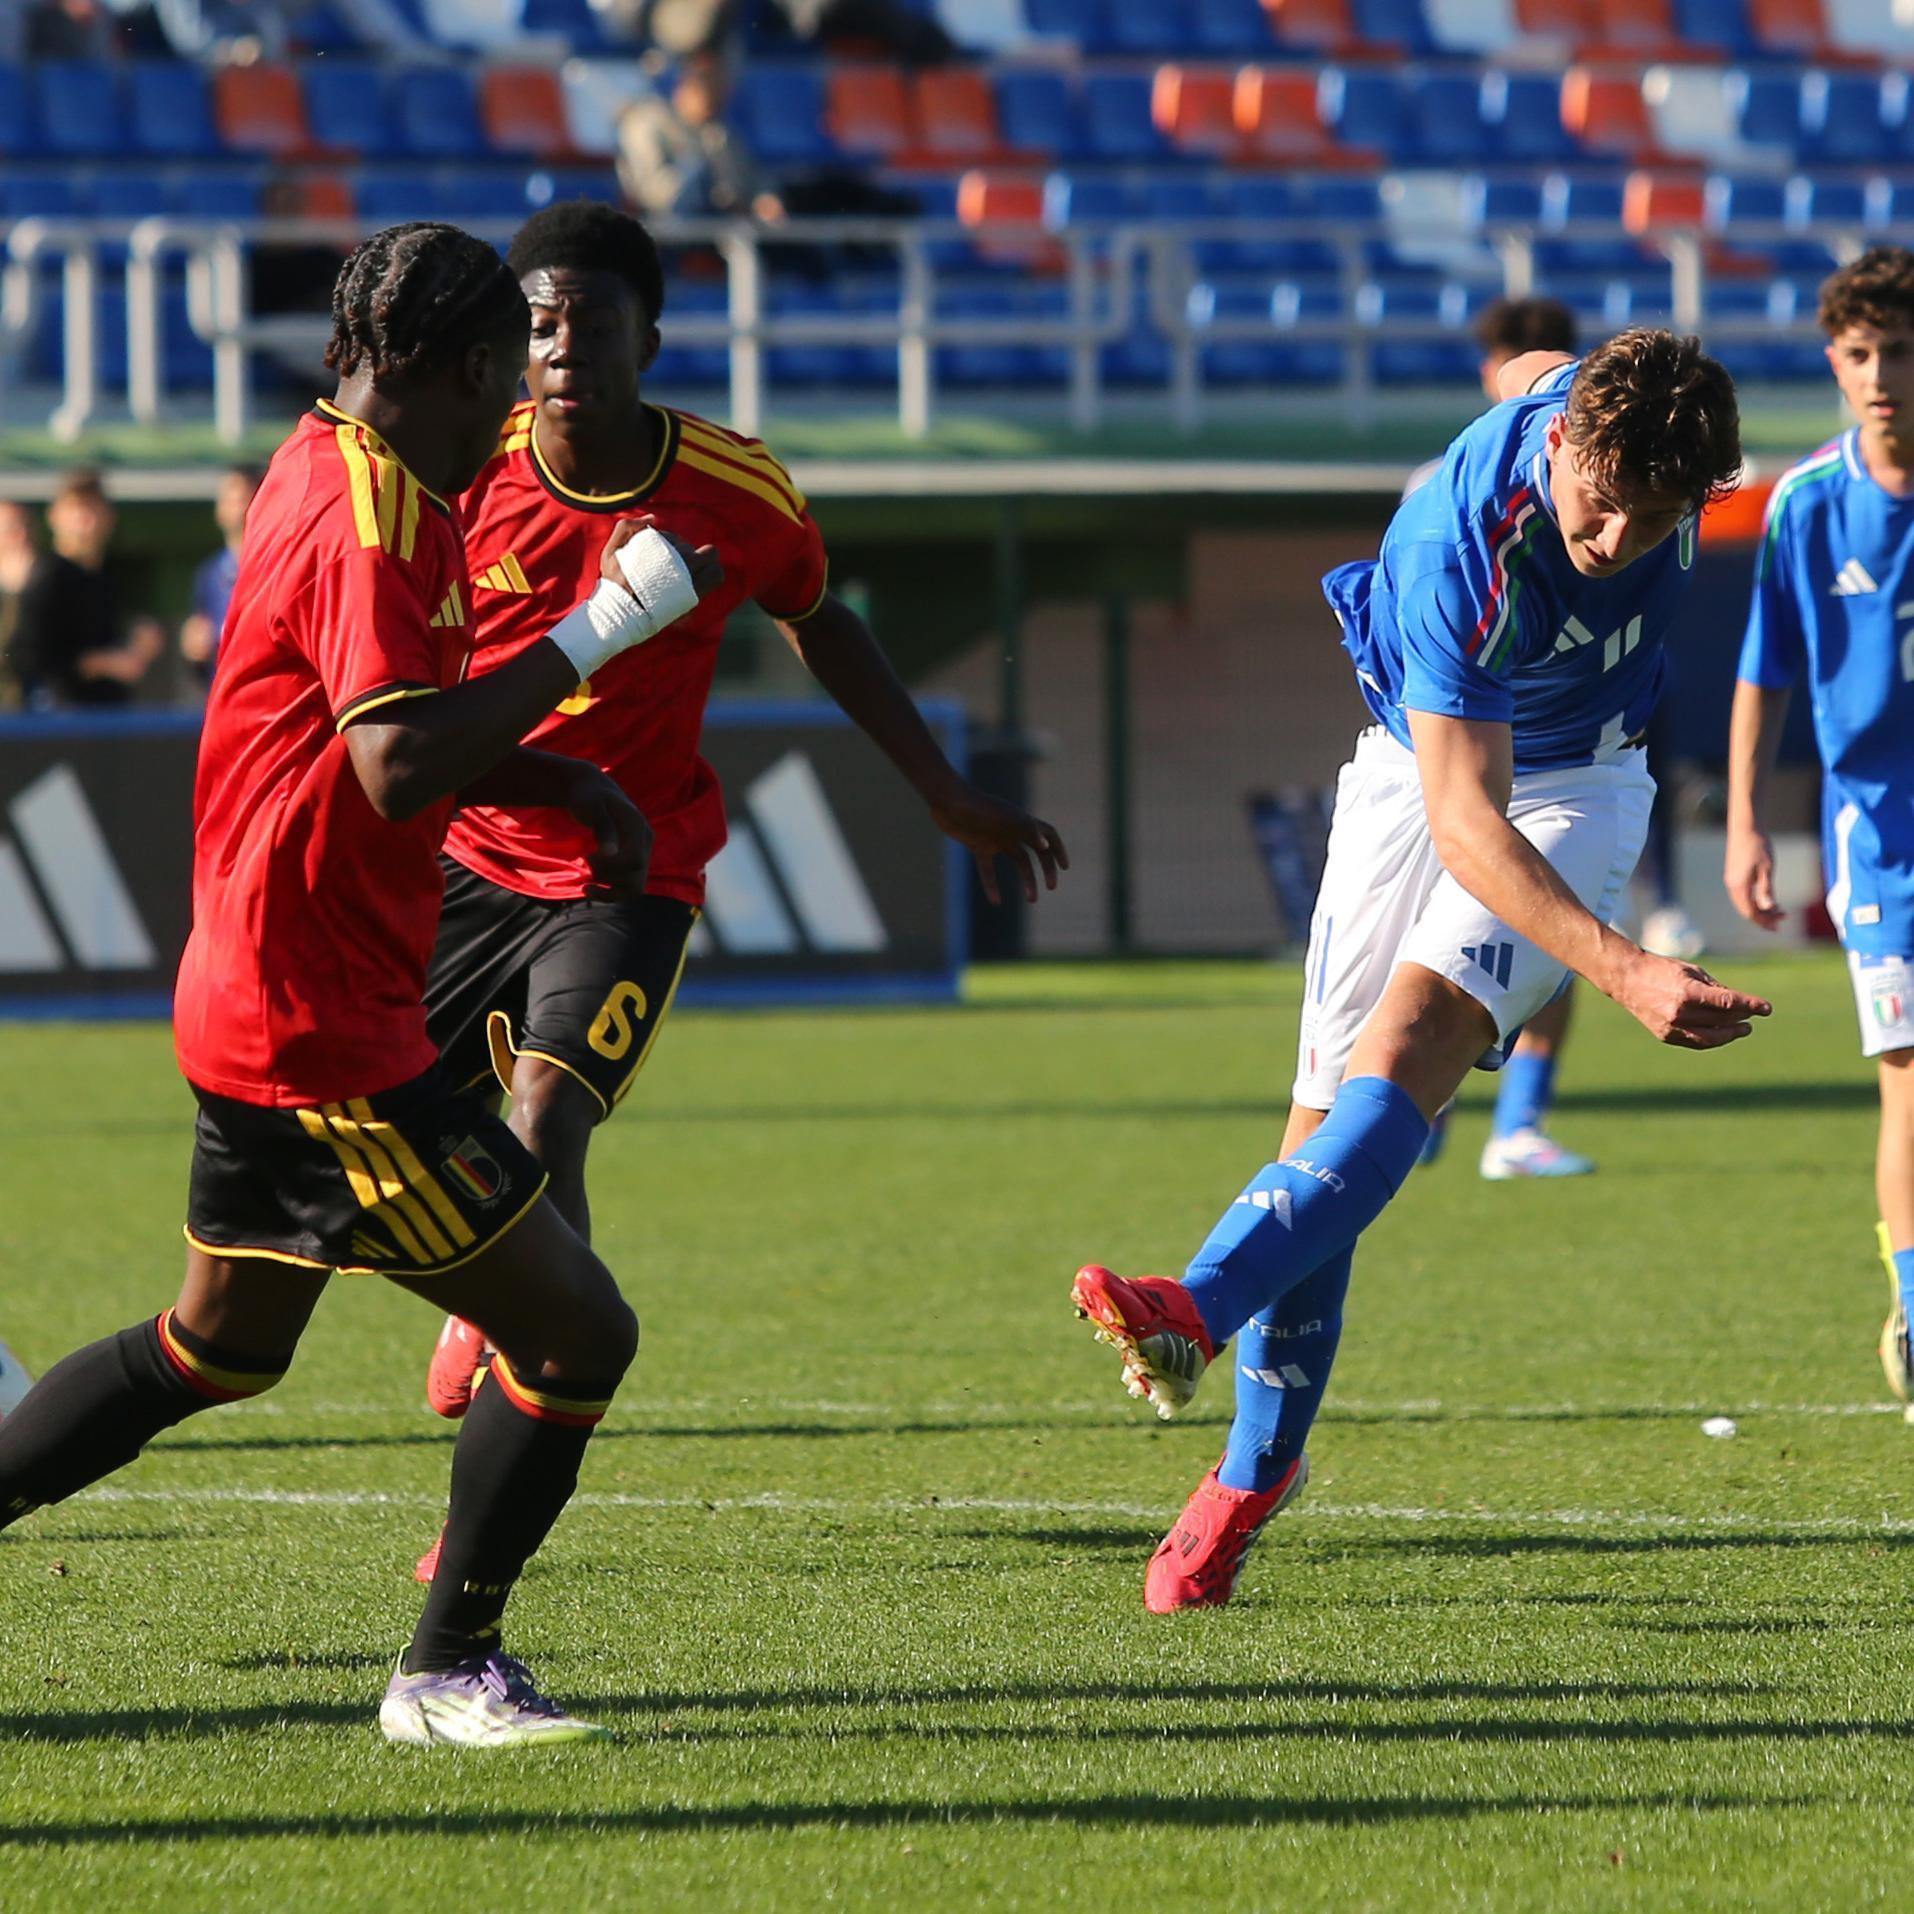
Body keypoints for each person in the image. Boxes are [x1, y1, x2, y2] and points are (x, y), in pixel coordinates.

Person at [0, 220, 724, 1747]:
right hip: (318, 1030)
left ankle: (442, 1667)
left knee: (217, 1346)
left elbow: (371, 732)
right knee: (578, 1333)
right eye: (496, 390)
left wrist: (549, 773)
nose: (507, 420)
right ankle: (445, 1669)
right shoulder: (380, 512)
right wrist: (604, 625)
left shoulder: (322, 457)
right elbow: (396, 766)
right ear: (466, 369)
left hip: (266, 990)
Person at [408, 201, 1067, 1576]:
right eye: (537, 320)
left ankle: (493, 1471)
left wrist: (940, 789)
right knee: (383, 1134)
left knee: (549, 1112)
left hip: (630, 868)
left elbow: (820, 614)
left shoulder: (734, 487)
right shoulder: (466, 474)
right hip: (465, 861)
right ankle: (486, 1268)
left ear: (650, 334)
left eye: (591, 317)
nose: (562, 342)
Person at [1072, 329, 1766, 1613]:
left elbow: (1539, 364)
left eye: (1656, 519)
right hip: (1429, 773)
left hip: (1584, 786)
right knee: (1321, 1136)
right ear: (1561, 451)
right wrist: (1626, 973)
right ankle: (1257, 1475)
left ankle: (1194, 1315)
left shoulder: (1588, 413)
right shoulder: (1465, 542)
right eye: (1600, 507)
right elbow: (1464, 821)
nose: (1616, 541)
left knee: (1408, 1050)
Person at [1724, 246, 1914, 1404]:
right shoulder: (1805, 504)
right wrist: (1746, 819)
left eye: (1899, 349)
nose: (1881, 373)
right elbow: (1765, 672)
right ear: (1834, 366)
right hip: (1884, 842)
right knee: (1911, 1077)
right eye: (1859, 354)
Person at [1411, 297, 1601, 1179]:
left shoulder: (1607, 476)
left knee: (1559, 936)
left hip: (1567, 754)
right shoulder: (1442, 482)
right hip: (1457, 752)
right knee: (1436, 951)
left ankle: (1517, 1126)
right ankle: (1422, 1111)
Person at [6, 472, 165, 710]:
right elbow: (28, 658)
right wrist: (102, 663)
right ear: (54, 516)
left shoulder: (105, 578)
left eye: (94, 509)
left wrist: (137, 649)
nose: (86, 521)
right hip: (59, 725)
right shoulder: (48, 576)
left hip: (107, 717)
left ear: (109, 517)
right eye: (76, 510)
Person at [178, 465, 260, 689]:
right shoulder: (210, 574)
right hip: (225, 697)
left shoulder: (282, 566)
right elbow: (201, 653)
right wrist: (194, 650)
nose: (241, 507)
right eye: (232, 499)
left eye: (247, 497)